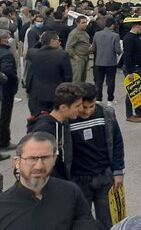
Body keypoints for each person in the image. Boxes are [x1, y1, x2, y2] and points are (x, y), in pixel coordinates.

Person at [0, 132, 95, 229]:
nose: (39, 166)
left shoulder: (71, 192)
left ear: (54, 159)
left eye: (45, 158)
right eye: (32, 159)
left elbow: (86, 223)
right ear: (17, 162)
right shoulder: (3, 206)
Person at [69, 83, 125, 230]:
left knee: (108, 220)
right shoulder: (68, 119)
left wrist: (118, 171)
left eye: (92, 106)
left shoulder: (106, 114)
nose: (87, 111)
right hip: (79, 179)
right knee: (83, 222)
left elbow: (117, 142)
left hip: (104, 176)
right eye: (84, 107)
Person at [26, 82, 84, 180]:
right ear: (63, 108)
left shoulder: (60, 123)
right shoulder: (45, 130)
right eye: (77, 106)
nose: (81, 109)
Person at [25, 30, 73, 116]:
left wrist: (41, 41)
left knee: (38, 120)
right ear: (52, 41)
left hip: (36, 93)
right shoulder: (62, 55)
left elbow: (32, 48)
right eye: (58, 40)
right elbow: (68, 76)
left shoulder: (33, 53)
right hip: (55, 93)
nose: (60, 42)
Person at [92, 17, 122, 105]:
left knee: (99, 81)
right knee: (111, 81)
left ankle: (98, 99)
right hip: (111, 62)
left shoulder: (97, 34)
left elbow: (93, 48)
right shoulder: (115, 36)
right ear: (112, 25)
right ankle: (110, 100)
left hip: (99, 61)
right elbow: (117, 50)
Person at [0, 29, 19, 153]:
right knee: (5, 116)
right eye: (6, 38)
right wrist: (15, 79)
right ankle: (4, 141)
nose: (8, 40)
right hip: (5, 89)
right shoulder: (6, 53)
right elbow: (7, 70)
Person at [66, 16, 91, 83]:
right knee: (76, 80)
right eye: (83, 23)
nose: (85, 24)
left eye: (86, 22)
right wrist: (75, 56)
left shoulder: (84, 32)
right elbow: (68, 47)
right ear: (77, 23)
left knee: (82, 79)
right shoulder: (74, 33)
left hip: (85, 58)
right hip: (78, 59)